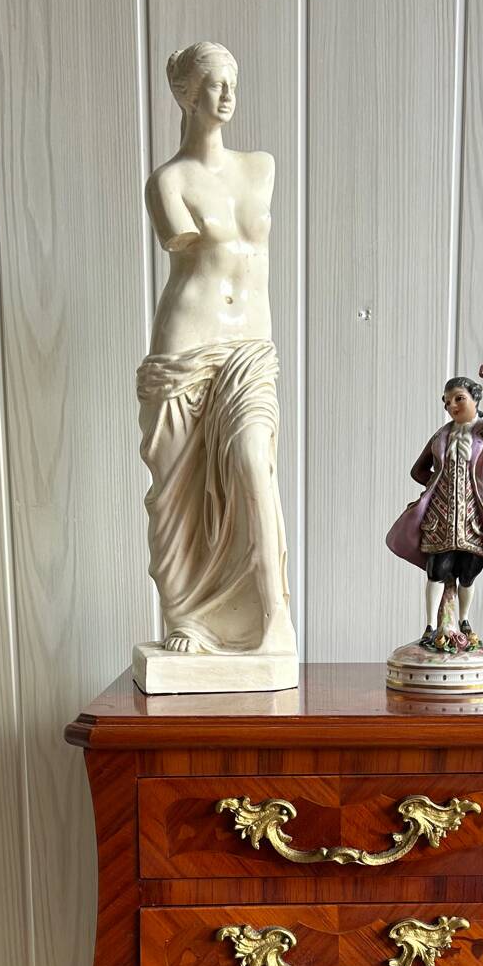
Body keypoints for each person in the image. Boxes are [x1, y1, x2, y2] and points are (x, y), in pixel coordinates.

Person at [136, 42, 296, 660]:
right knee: (176, 498)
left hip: (249, 347)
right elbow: (182, 247)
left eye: (232, 81)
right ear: (185, 94)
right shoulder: (168, 183)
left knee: (255, 462)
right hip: (184, 347)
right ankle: (190, 618)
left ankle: (274, 617)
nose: (226, 95)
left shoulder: (262, 167)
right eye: (212, 84)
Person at [386, 364, 483, 649]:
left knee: (469, 572)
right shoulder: (440, 437)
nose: (452, 405)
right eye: (447, 401)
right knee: (437, 569)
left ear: (475, 399)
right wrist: (438, 484)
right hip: (441, 517)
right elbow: (418, 470)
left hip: (472, 516)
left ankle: (464, 620)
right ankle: (432, 625)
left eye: (458, 398)